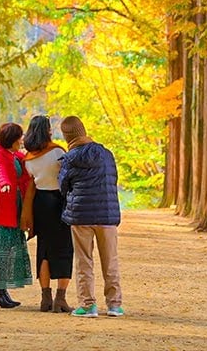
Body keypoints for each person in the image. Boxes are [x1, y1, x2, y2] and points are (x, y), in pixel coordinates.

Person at [58, 116, 123, 319]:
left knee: (84, 261)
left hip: (81, 215)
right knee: (110, 260)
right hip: (107, 214)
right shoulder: (106, 154)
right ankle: (114, 305)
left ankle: (87, 305)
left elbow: (63, 186)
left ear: (67, 137)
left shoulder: (70, 158)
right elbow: (114, 179)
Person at [21, 115, 74, 313]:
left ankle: (45, 298)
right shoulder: (58, 152)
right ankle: (61, 298)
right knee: (64, 248)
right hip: (59, 202)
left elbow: (32, 180)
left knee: (44, 249)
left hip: (40, 203)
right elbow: (68, 175)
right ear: (47, 131)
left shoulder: (28, 158)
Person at [0, 124, 32, 308]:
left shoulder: (14, 155)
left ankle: (1, 291)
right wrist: (3, 184)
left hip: (11, 211)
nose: (21, 139)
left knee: (8, 252)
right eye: (19, 137)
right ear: (11, 139)